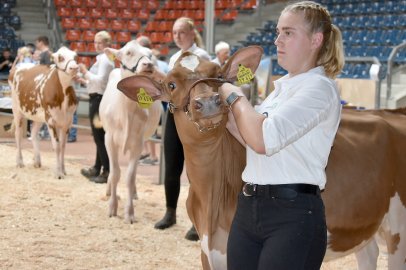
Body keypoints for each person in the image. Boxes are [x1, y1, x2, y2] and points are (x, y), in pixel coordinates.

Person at [218, 1, 344, 269]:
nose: (277, 40)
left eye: (288, 32)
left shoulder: (320, 88)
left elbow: (263, 140)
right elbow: (250, 139)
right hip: (249, 207)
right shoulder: (281, 89)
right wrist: (223, 112)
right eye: (278, 32)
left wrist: (235, 96)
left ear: (316, 40)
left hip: (293, 214)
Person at [154, 17, 211, 241]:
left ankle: (198, 220)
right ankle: (170, 213)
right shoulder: (173, 58)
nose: (177, 36)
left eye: (182, 32)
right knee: (172, 165)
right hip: (173, 113)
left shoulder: (202, 56)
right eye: (174, 32)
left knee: (196, 169)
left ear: (191, 32)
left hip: (194, 116)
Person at [77, 31, 115, 184]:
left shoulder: (106, 59)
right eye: (95, 42)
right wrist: (83, 79)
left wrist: (85, 72)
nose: (97, 45)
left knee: (100, 137)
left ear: (107, 43)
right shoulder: (103, 58)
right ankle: (97, 167)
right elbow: (95, 82)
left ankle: (106, 171)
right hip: (97, 98)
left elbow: (99, 82)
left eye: (100, 42)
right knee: (99, 137)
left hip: (99, 100)